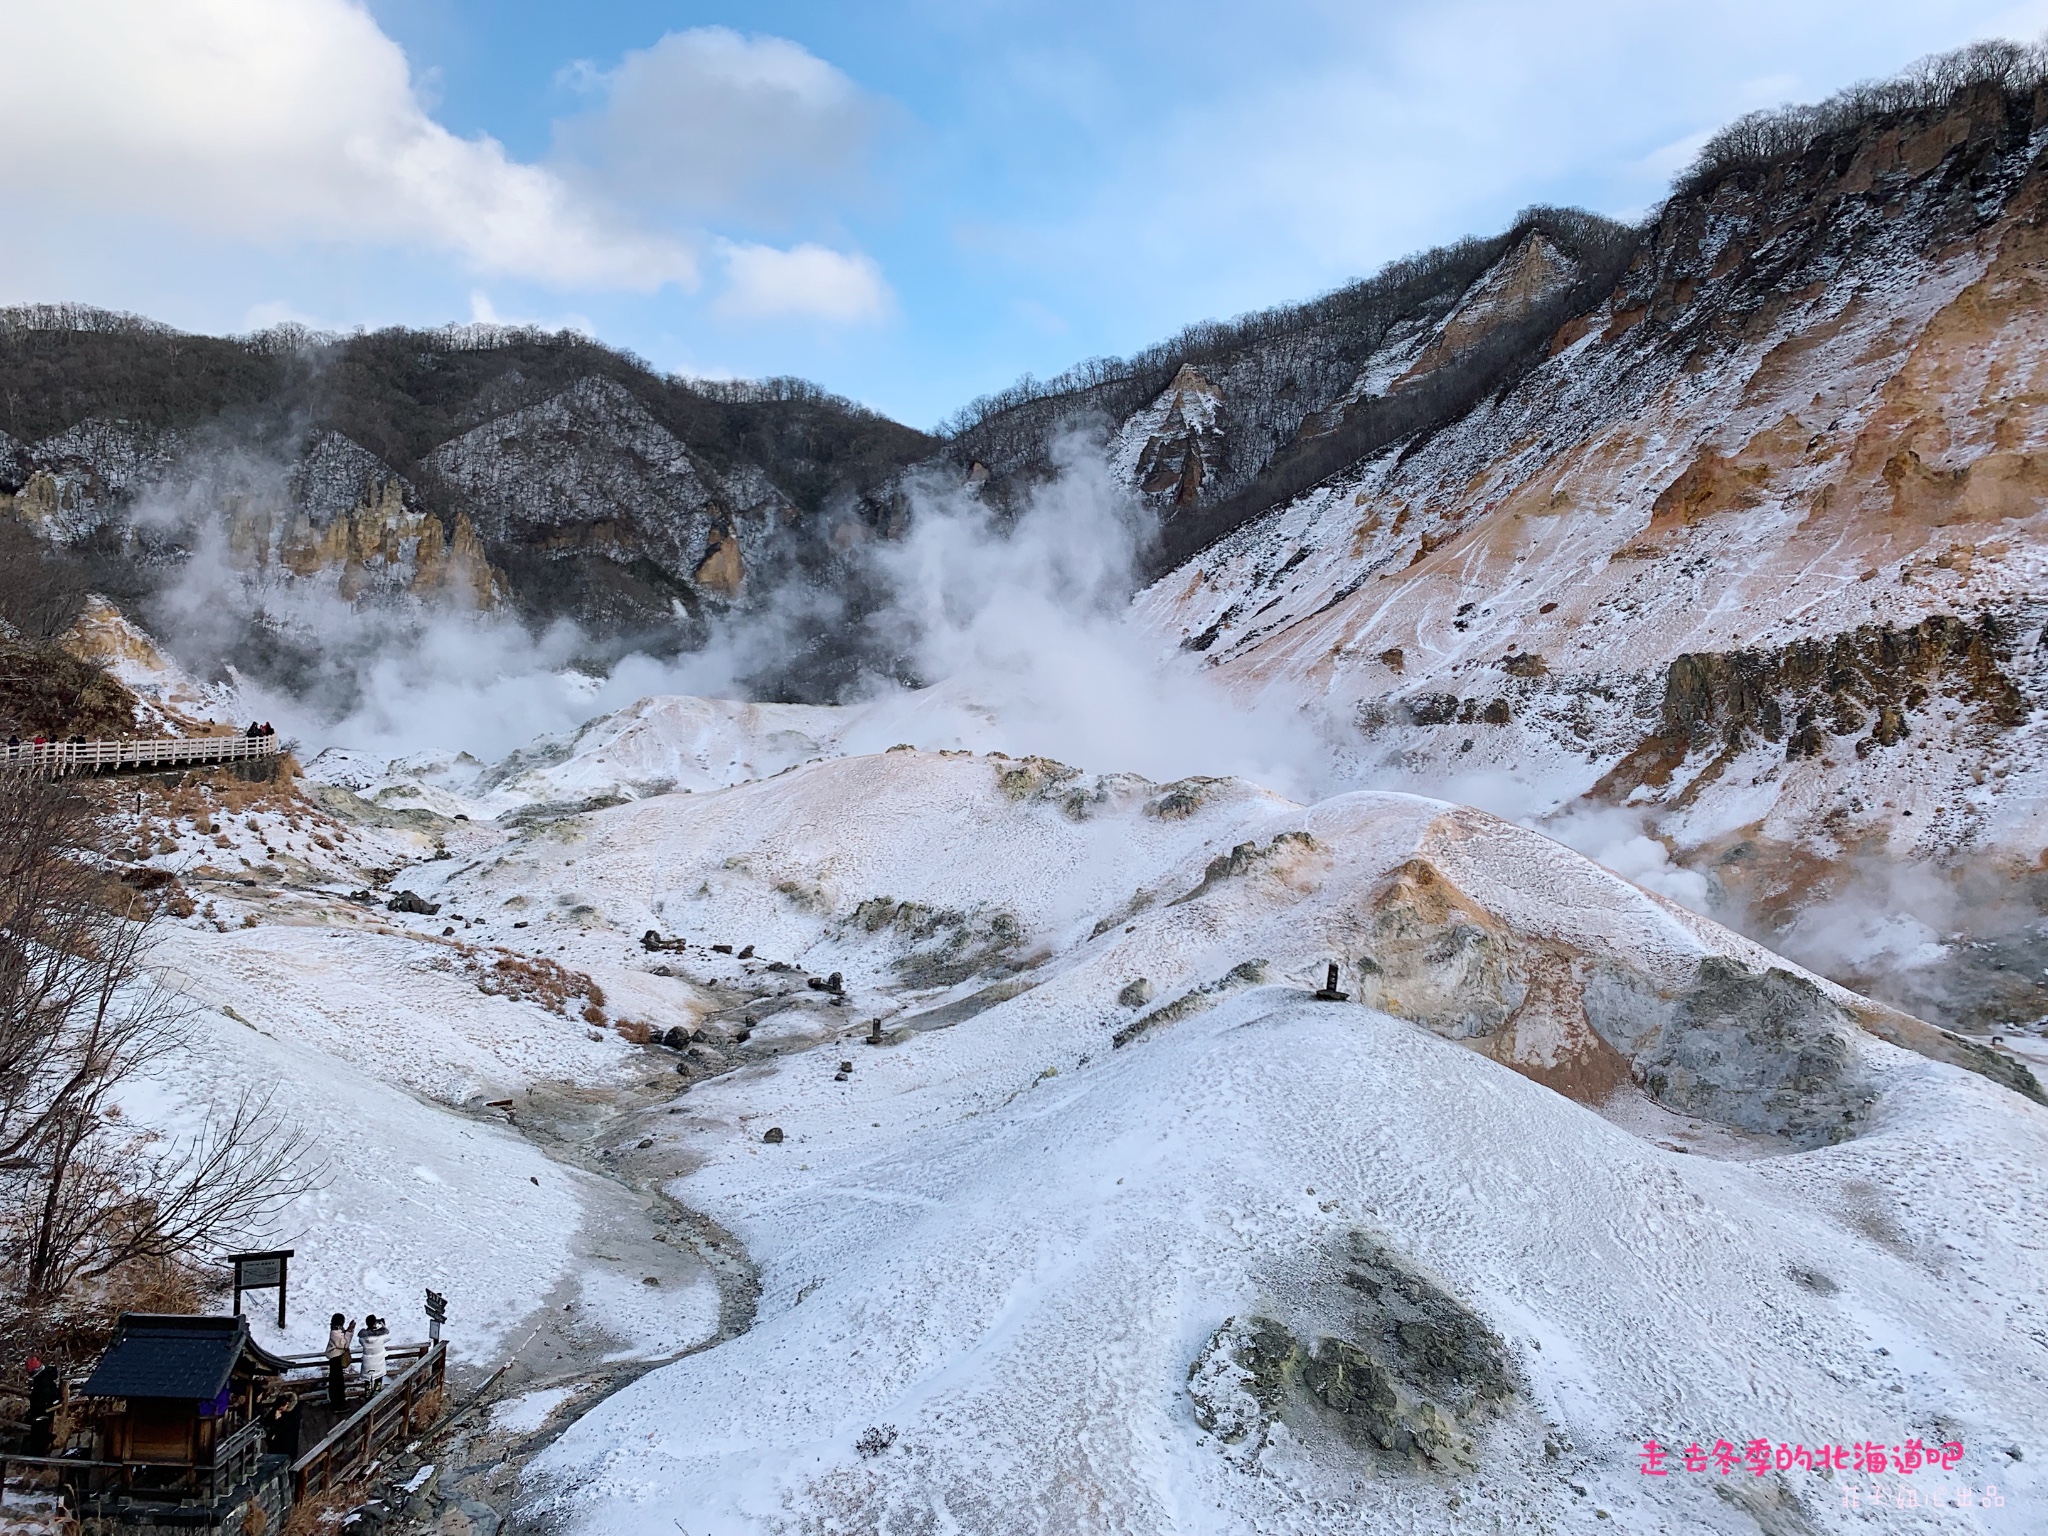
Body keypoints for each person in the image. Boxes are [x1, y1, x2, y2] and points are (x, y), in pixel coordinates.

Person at [24, 1357, 59, 1456]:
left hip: (42, 1414)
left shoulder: (43, 1382)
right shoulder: (44, 1379)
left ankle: (38, 1464)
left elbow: (42, 1399)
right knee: (38, 1439)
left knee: (38, 1441)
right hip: (42, 1413)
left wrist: (37, 1412)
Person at [325, 1314, 355, 1408]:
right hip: (336, 1359)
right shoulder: (336, 1333)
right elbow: (344, 1344)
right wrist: (349, 1332)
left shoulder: (337, 1331)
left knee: (337, 1381)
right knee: (337, 1382)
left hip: (336, 1359)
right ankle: (338, 1403)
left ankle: (338, 1402)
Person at [360, 1314, 389, 1393]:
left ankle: (367, 1397)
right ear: (375, 1323)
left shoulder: (362, 1338)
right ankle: (376, 1397)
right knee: (378, 1380)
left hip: (367, 1363)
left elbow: (362, 1339)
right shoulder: (381, 1337)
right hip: (379, 1363)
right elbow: (387, 1335)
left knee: (368, 1381)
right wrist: (383, 1325)